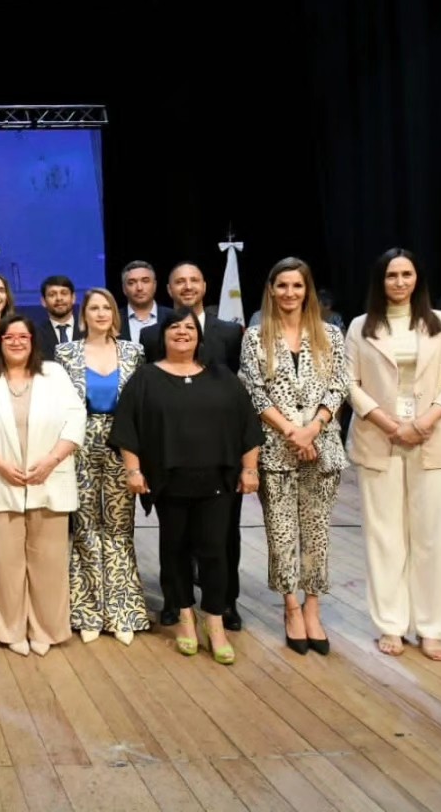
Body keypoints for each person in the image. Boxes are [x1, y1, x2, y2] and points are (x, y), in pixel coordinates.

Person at [112, 308, 262, 666]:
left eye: (189, 327)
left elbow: (248, 425)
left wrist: (250, 469)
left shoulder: (222, 376)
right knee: (175, 549)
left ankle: (214, 619)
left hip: (217, 481)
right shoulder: (145, 377)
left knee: (215, 550)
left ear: (200, 336)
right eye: (174, 327)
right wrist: (134, 472)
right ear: (162, 336)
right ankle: (184, 616)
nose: (182, 332)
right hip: (169, 482)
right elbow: (127, 428)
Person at [344, 249, 441, 662]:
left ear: (418, 278)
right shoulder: (361, 327)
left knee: (432, 538)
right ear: (380, 282)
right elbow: (351, 384)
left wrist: (424, 422)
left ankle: (432, 628)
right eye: (392, 276)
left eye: (407, 274)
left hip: (433, 438)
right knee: (384, 537)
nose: (399, 282)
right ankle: (391, 625)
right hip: (380, 437)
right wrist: (391, 424)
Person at [238, 258, 347, 656]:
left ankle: (313, 607)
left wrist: (313, 428)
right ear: (271, 290)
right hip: (276, 451)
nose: (289, 293)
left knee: (317, 536)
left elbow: (339, 385)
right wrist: (291, 431)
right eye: (282, 285)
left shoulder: (331, 335)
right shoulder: (254, 337)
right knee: (282, 535)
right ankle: (290, 608)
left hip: (323, 448)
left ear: (307, 290)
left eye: (297, 286)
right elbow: (253, 391)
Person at [0, 316, 85, 656]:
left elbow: (76, 418)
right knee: (4, 563)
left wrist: (50, 461)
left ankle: (46, 629)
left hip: (49, 478)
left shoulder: (54, 375)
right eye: (9, 336)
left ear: (33, 341)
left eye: (23, 336)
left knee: (48, 561)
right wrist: (0, 464)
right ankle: (9, 628)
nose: (16, 342)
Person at [140, 260, 247, 630]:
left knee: (223, 535)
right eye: (179, 282)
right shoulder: (152, 334)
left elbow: (239, 397)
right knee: (175, 537)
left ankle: (226, 603)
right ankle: (175, 600)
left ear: (205, 285)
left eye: (194, 280)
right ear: (168, 290)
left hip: (220, 454)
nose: (187, 287)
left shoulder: (231, 333)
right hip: (171, 452)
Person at [54, 288, 148, 645]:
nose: (100, 313)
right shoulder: (66, 353)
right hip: (79, 444)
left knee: (120, 528)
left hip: (123, 446)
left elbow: (140, 406)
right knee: (86, 527)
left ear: (114, 313)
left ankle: (124, 609)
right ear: (83, 316)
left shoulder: (134, 352)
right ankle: (88, 610)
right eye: (93, 308)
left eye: (106, 307)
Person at [120, 260, 163, 345]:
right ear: (124, 289)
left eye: (145, 281)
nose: (139, 288)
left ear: (154, 285)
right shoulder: (114, 320)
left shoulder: (172, 317)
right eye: (131, 283)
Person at [40, 275, 82, 346]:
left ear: (73, 298)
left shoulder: (89, 330)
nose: (59, 298)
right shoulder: (36, 334)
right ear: (43, 301)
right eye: (52, 295)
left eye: (64, 293)